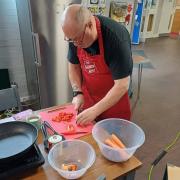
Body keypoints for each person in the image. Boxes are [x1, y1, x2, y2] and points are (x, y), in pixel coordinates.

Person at [61, 4, 133, 125]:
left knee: (113, 141)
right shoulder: (75, 35)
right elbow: (73, 65)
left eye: (78, 39)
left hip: (114, 104)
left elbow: (122, 85)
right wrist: (77, 92)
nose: (75, 44)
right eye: (70, 40)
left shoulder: (115, 38)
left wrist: (95, 110)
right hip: (89, 98)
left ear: (89, 24)